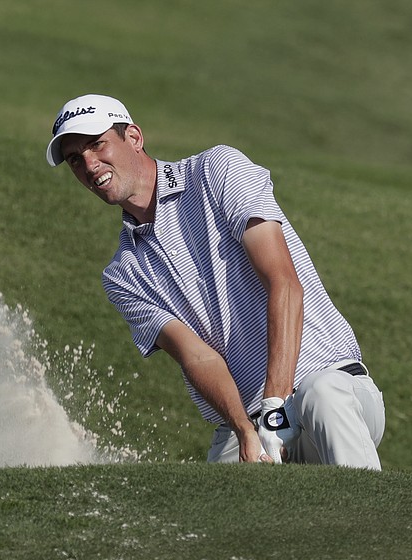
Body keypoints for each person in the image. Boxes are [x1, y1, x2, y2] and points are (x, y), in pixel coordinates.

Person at [45, 94, 386, 469]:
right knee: (214, 498)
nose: (90, 165)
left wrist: (275, 405)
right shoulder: (123, 274)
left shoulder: (216, 170)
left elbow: (283, 282)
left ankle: (374, 526)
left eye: (97, 145)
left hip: (333, 390)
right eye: (76, 159)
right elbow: (197, 356)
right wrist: (244, 428)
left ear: (135, 138)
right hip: (250, 424)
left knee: (321, 394)